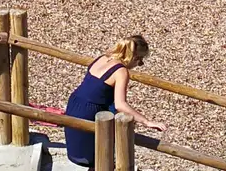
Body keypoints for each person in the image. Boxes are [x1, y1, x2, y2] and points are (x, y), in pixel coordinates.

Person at [61, 36, 164, 167]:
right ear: (135, 57)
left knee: (82, 152)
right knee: (99, 156)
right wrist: (146, 121)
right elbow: (120, 104)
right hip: (91, 112)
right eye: (140, 61)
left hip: (75, 104)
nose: (139, 65)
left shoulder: (102, 58)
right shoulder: (121, 72)